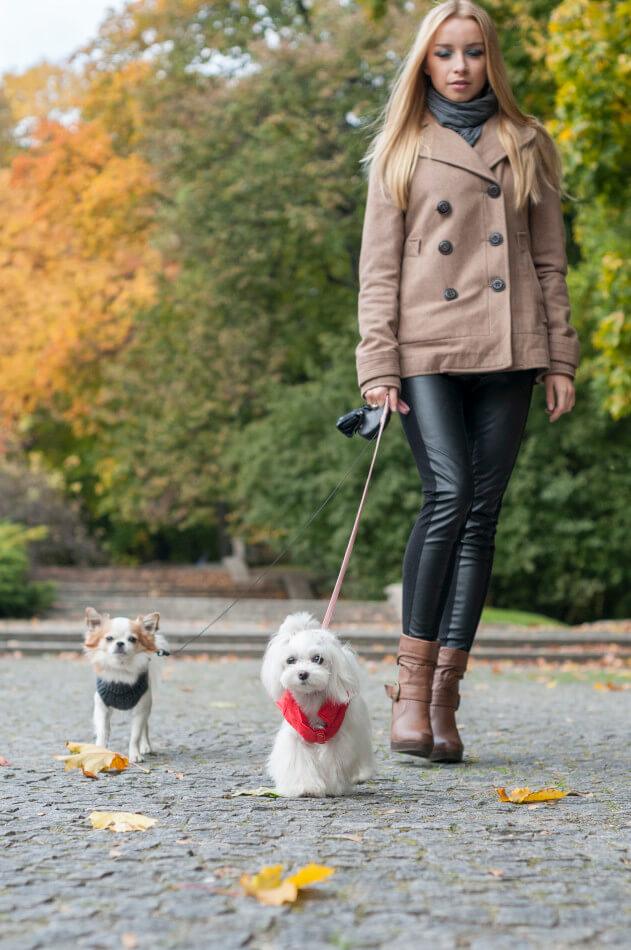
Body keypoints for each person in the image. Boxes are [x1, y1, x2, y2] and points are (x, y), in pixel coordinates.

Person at [355, 0, 580, 763]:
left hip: (510, 348)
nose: (458, 66)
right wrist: (376, 364)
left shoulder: (526, 143)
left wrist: (559, 357)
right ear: (424, 62)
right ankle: (410, 695)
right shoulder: (399, 148)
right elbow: (378, 271)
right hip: (425, 348)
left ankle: (444, 703)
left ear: (490, 60)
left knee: (481, 515)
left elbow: (548, 261)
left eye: (472, 52)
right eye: (444, 53)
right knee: (448, 493)